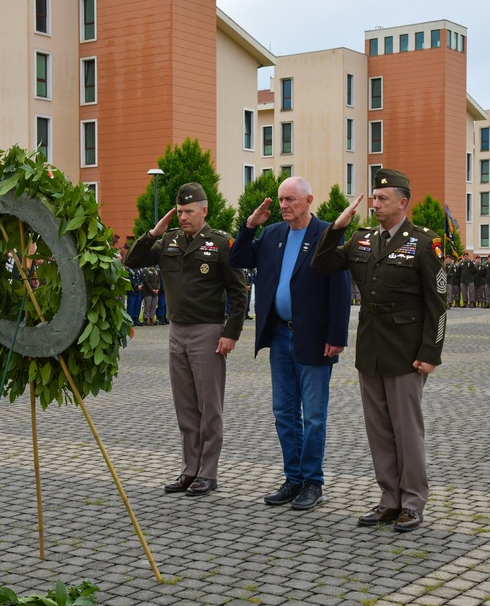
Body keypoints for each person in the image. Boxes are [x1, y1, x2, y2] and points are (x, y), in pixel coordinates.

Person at [311, 168, 446, 533]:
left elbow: (439, 304)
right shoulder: (362, 239)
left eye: (383, 198)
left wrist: (430, 353)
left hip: (406, 350)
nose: (376, 203)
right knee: (379, 430)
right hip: (370, 346)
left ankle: (413, 502)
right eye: (374, 197)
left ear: (403, 202)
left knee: (407, 430)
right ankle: (389, 499)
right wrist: (337, 226)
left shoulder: (423, 242)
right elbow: (320, 264)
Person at [230, 177, 352, 511]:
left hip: (314, 336)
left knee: (313, 414)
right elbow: (239, 259)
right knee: (284, 411)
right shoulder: (272, 234)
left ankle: (313, 481)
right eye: (281, 200)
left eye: (290, 200)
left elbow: (341, 289)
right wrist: (249, 226)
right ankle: (293, 478)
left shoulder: (327, 233)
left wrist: (337, 337)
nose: (284, 206)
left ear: (309, 199)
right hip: (280, 334)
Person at [125, 182, 248, 497]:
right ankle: (189, 469)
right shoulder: (168, 241)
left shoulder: (221, 243)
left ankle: (208, 473)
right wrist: (153, 233)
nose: (183, 216)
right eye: (179, 211)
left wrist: (231, 333)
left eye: (189, 211)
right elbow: (133, 261)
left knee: (210, 407)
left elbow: (238, 291)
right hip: (176, 332)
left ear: (204, 211)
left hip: (208, 332)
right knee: (185, 408)